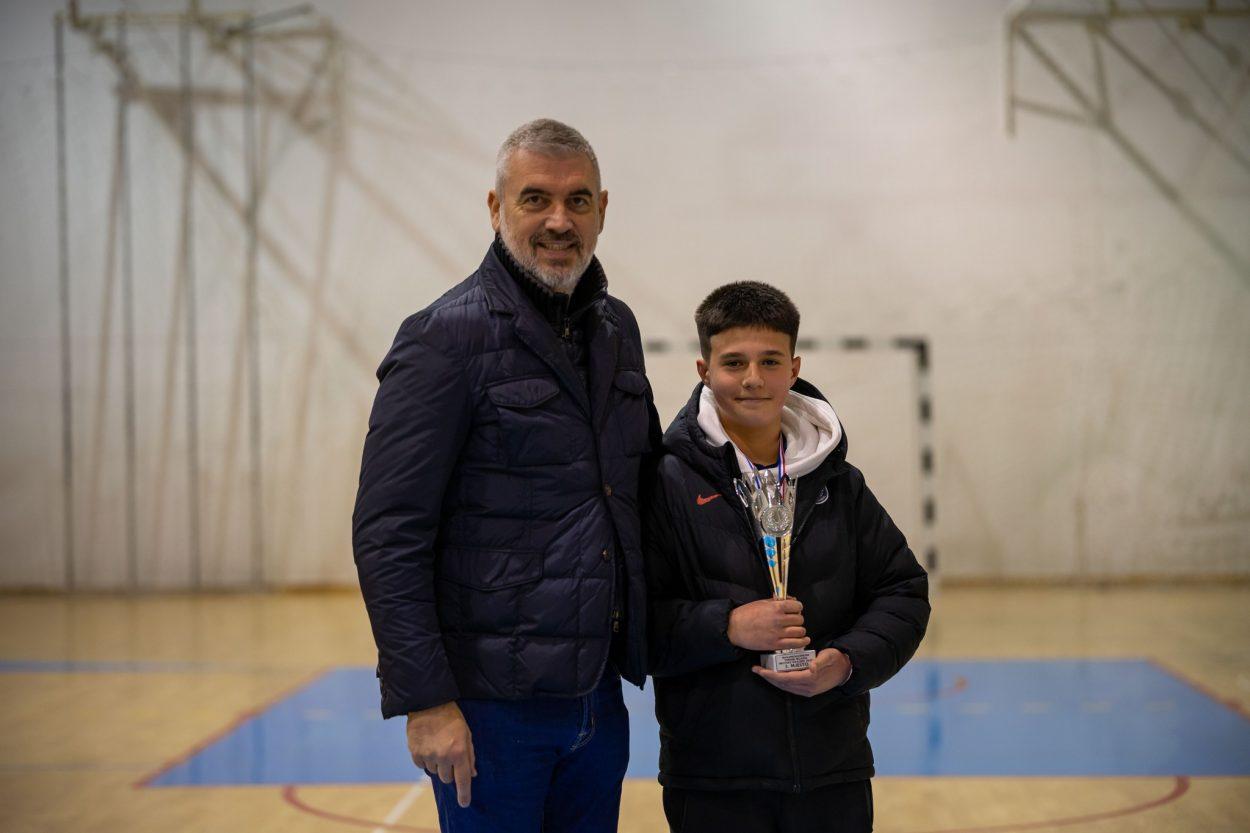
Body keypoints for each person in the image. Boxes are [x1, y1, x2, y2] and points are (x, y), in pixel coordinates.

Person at [352, 118, 661, 833]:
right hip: (489, 711)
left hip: (597, 699)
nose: (559, 220)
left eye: (578, 200)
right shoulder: (443, 338)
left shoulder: (616, 329)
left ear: (602, 210)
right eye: (535, 199)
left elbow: (641, 490)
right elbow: (389, 534)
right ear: (495, 208)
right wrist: (426, 701)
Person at [645, 281, 930, 833]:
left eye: (770, 361)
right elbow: (633, 622)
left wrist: (846, 662)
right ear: (704, 370)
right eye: (734, 362)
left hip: (832, 772)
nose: (753, 378)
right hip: (713, 780)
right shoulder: (665, 484)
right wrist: (727, 626)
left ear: (794, 369)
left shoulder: (839, 484)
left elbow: (903, 592)